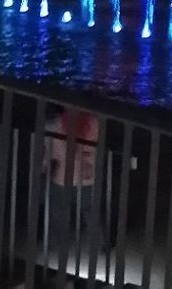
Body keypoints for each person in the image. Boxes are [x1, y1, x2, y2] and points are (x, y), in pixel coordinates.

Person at [45, 105, 101, 283]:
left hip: (63, 176)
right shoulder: (93, 121)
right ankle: (99, 245)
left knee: (59, 212)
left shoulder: (53, 125)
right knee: (91, 211)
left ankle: (57, 244)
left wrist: (44, 167)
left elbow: (49, 154)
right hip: (87, 176)